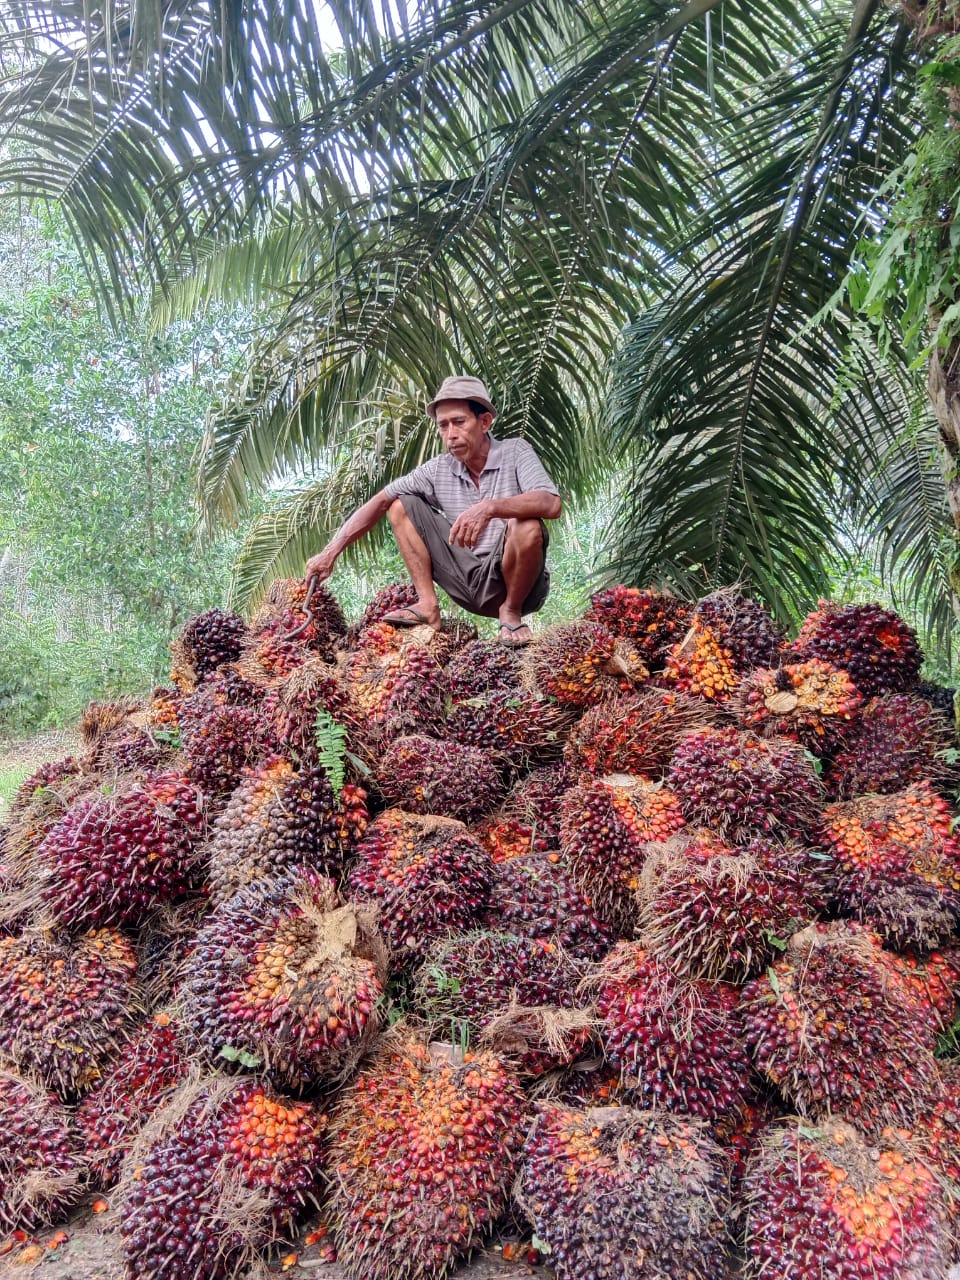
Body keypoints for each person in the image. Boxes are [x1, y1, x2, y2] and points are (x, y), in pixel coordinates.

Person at [304, 375, 562, 648]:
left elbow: (551, 503)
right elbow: (380, 501)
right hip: (471, 583)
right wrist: (330, 552)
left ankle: (509, 611)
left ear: (484, 422)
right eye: (443, 426)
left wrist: (491, 508)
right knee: (399, 505)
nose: (451, 434)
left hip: (521, 586)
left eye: (459, 422)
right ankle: (428, 605)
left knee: (528, 525)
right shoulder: (438, 469)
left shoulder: (515, 451)